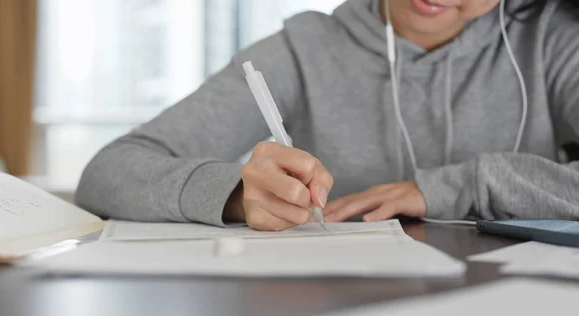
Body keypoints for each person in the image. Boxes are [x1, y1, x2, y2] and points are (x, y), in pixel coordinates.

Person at [76, 0, 579, 231]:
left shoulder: (554, 42)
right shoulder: (303, 49)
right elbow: (109, 173)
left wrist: (463, 186)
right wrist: (235, 194)